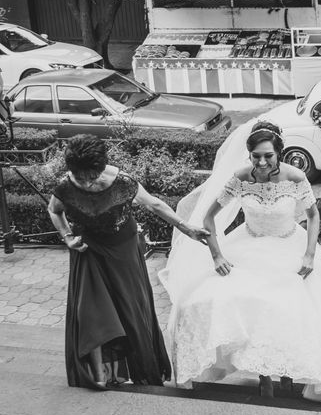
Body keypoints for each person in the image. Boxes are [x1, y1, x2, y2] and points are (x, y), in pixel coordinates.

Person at [159, 120, 321, 410]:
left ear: (279, 153)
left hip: (290, 247)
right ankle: (264, 376)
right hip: (248, 247)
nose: (262, 162)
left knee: (295, 309)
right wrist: (216, 255)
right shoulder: (239, 178)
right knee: (229, 303)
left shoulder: (296, 177)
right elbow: (208, 218)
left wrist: (310, 254)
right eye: (256, 157)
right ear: (248, 156)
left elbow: (313, 217)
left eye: (268, 156)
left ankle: (287, 374)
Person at [47, 135, 209, 389]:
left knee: (130, 312)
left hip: (124, 253)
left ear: (101, 167)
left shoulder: (122, 182)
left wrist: (187, 228)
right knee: (92, 315)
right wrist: (67, 237)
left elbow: (155, 204)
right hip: (88, 253)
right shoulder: (65, 186)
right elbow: (54, 210)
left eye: (92, 176)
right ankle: (100, 376)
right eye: (81, 177)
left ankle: (143, 373)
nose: (87, 183)